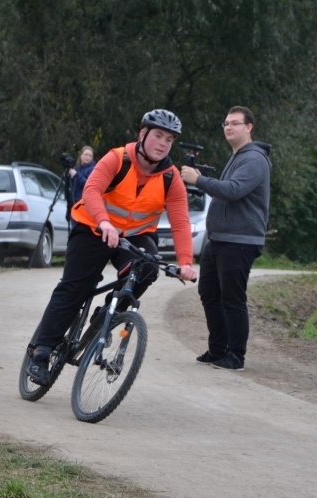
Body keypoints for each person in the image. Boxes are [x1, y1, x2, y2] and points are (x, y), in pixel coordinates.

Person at [26, 109, 199, 385]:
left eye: (169, 139)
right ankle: (41, 351)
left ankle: (109, 313)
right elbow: (91, 190)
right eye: (158, 136)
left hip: (134, 236)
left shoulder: (171, 177)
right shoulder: (118, 158)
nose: (163, 143)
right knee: (74, 287)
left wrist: (186, 262)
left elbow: (180, 222)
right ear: (142, 134)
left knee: (147, 268)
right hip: (93, 228)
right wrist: (104, 221)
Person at [180, 105, 271, 372]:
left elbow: (233, 190)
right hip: (220, 238)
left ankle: (236, 356)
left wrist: (199, 180)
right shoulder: (237, 156)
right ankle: (218, 349)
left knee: (232, 298)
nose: (229, 127)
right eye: (226, 124)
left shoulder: (254, 159)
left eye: (235, 123)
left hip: (240, 240)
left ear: (249, 127)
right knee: (209, 293)